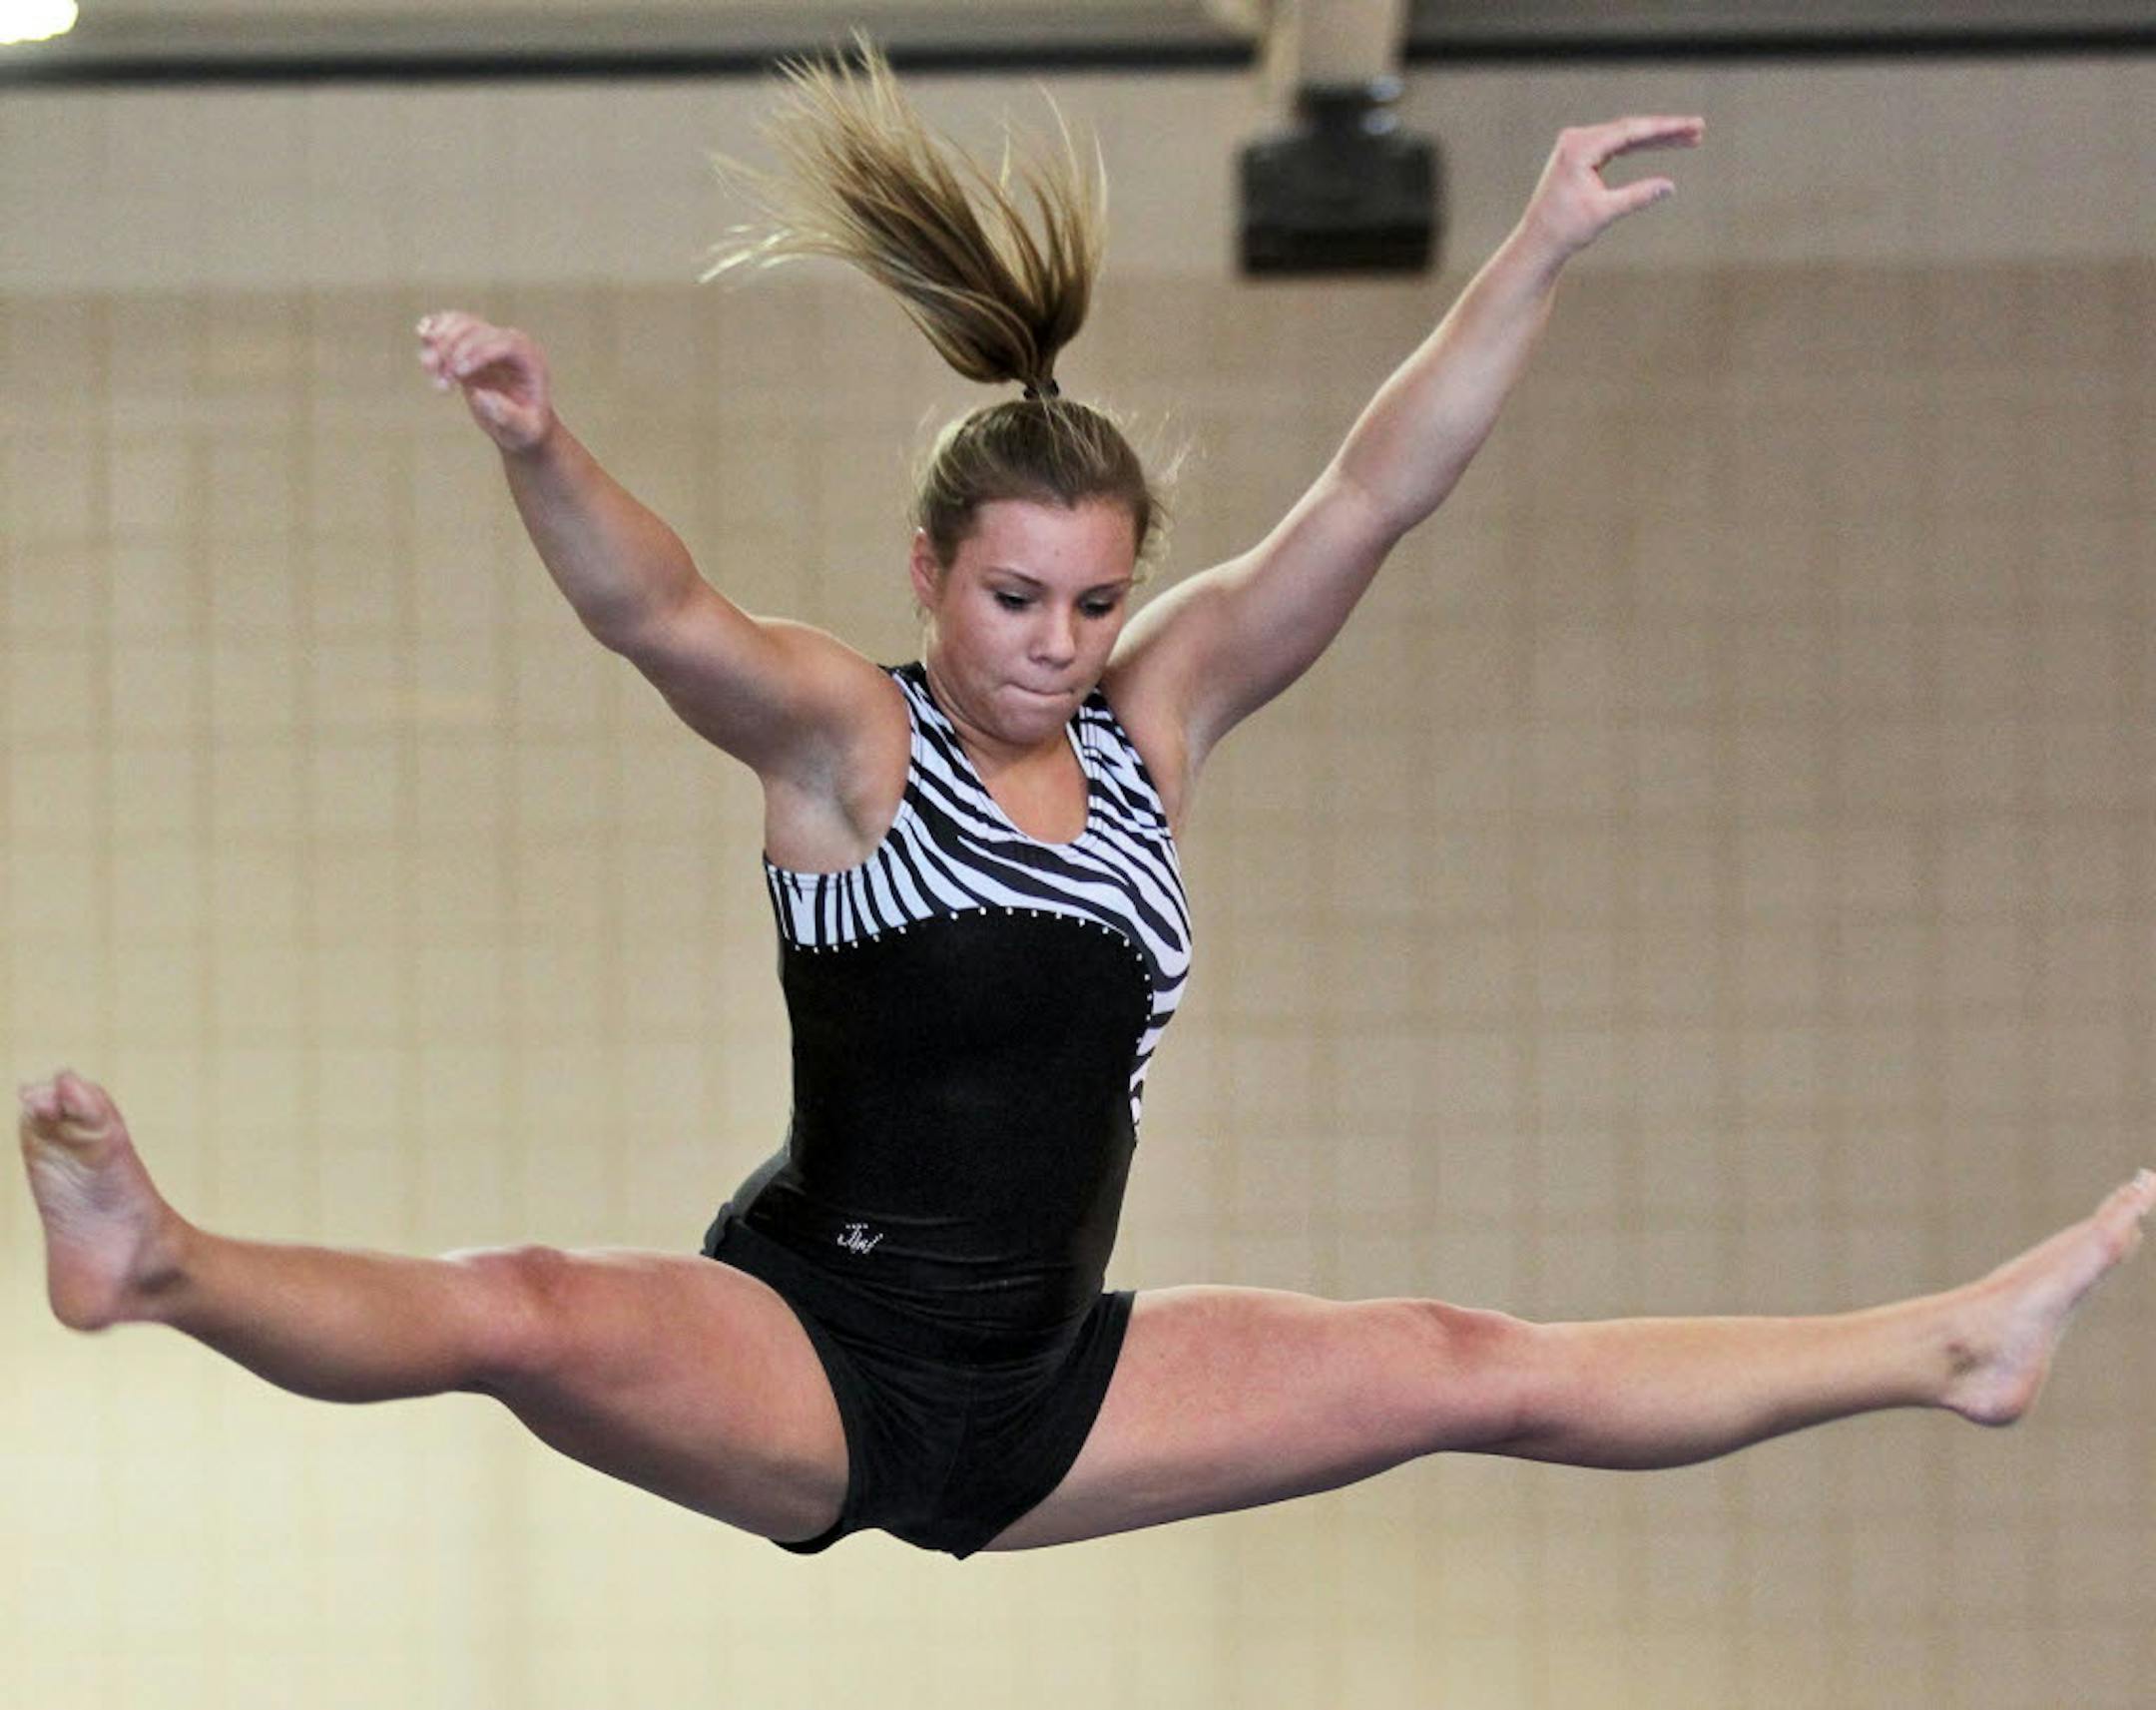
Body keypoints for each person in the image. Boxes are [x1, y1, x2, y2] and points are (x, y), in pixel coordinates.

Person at [18, 45, 2154, 1565]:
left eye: (1096, 599)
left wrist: (1532, 253)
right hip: (813, 1344)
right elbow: (654, 613)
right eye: (1017, 596)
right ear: (933, 575)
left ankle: (1949, 1340)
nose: (1056, 639)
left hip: (1056, 1382)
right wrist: (537, 446)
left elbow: (1371, 496)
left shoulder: (1156, 733)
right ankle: (166, 1259)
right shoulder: (854, 747)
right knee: (522, 1305)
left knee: (1462, 1359)